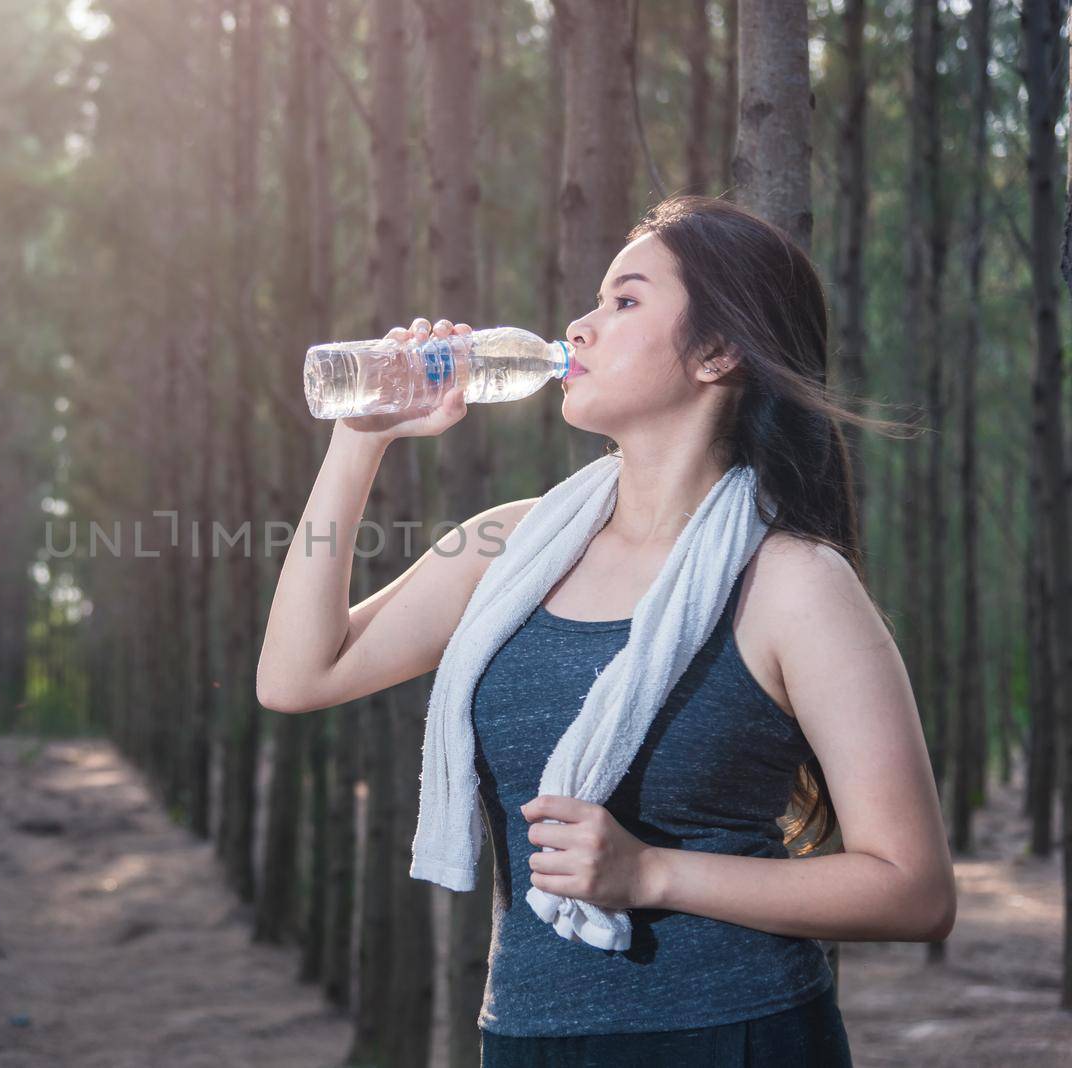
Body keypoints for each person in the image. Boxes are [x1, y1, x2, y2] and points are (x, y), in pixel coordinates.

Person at [256, 195, 956, 1066]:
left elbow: (914, 890)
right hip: (525, 1035)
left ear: (717, 350)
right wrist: (360, 441)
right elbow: (296, 676)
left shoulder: (793, 583)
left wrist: (654, 874)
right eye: (592, 301)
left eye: (624, 301)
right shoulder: (512, 545)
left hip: (731, 1036)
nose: (578, 327)